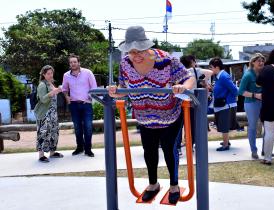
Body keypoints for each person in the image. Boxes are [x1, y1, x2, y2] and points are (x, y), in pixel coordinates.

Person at [108, 26, 195, 204]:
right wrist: (114, 91)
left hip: (170, 115)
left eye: (140, 50)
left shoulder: (166, 60)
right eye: (131, 52)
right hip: (145, 117)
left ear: (146, 46)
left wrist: (183, 87)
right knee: (149, 151)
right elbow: (123, 89)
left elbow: (189, 78)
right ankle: (153, 184)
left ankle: (174, 185)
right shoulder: (125, 63)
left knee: (170, 150)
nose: (136, 55)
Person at [62, 54, 97, 157]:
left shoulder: (88, 73)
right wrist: (67, 98)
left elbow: (94, 87)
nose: (73, 64)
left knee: (88, 127)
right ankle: (79, 148)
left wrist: (90, 98)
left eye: (75, 62)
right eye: (71, 62)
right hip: (74, 105)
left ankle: (88, 149)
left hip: (86, 105)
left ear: (79, 62)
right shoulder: (66, 75)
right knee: (77, 128)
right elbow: (64, 89)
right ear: (69, 64)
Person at [34, 65, 63, 163]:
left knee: (54, 132)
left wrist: (57, 90)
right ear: (43, 74)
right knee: (43, 133)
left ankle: (52, 152)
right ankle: (41, 155)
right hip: (45, 113)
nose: (50, 75)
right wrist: (53, 92)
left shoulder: (51, 83)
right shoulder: (42, 84)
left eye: (51, 73)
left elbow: (53, 96)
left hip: (53, 113)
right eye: (48, 74)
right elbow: (43, 99)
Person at [238, 53, 265, 159]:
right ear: (253, 62)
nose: (261, 63)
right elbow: (240, 91)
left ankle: (266, 150)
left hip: (264, 103)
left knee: (267, 126)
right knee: (252, 127)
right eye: (259, 61)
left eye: (262, 61)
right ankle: (254, 151)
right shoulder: (248, 75)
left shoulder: (264, 73)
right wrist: (255, 95)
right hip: (251, 103)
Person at [209, 57, 238, 151]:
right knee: (222, 124)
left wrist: (229, 99)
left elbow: (234, 90)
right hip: (223, 104)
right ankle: (226, 141)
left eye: (211, 67)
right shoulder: (219, 76)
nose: (210, 69)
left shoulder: (223, 76)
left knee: (224, 125)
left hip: (226, 104)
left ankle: (225, 145)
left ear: (217, 67)